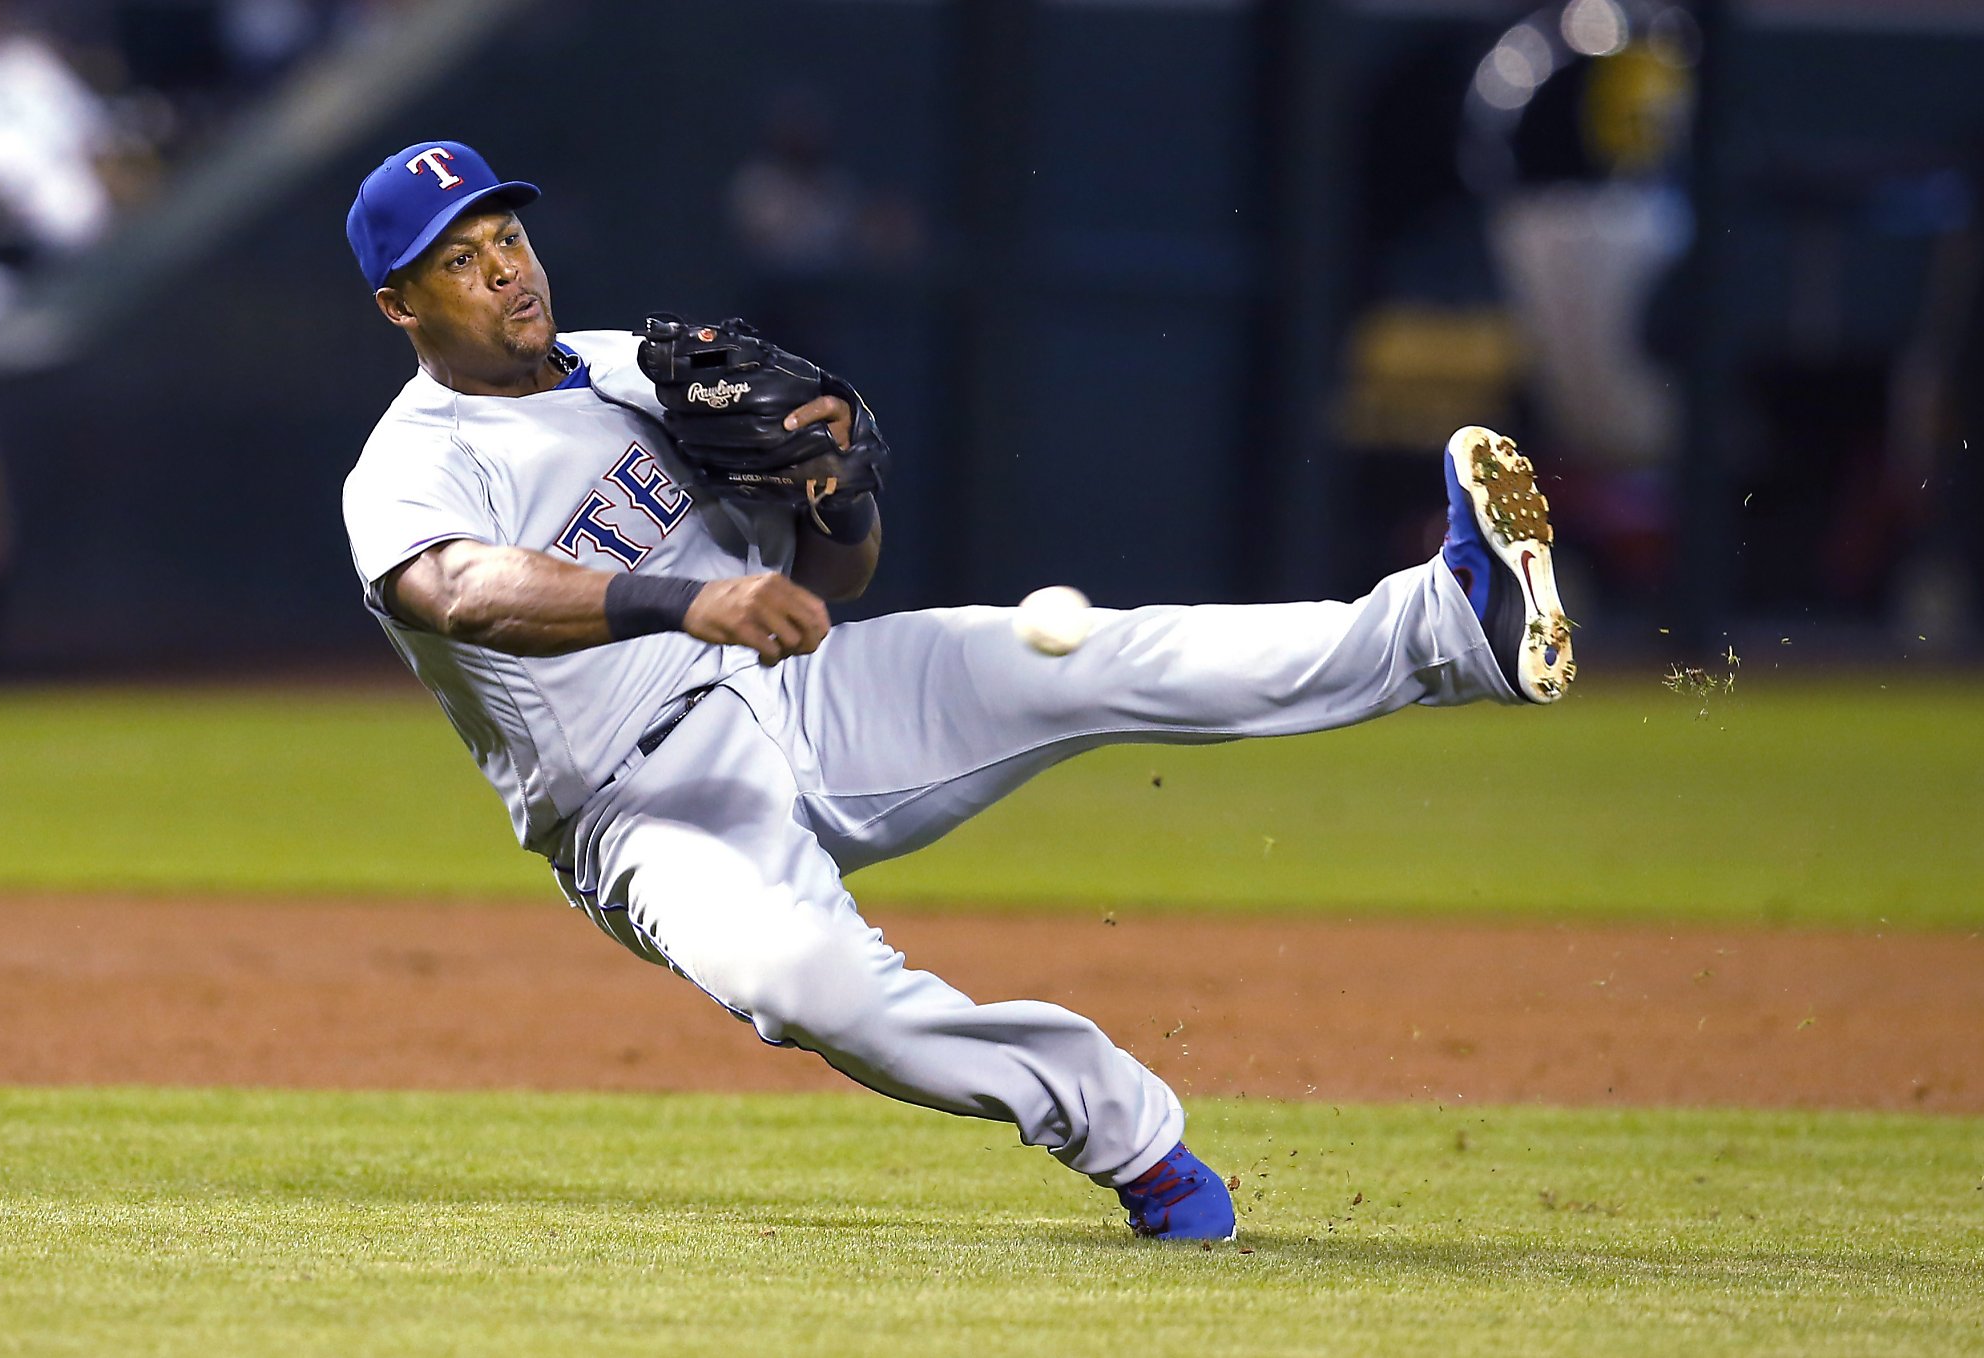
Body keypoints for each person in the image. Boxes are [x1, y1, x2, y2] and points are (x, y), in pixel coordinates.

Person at [340, 141, 1574, 1242]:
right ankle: (1122, 1132)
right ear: (400, 303)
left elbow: (830, 580)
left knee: (1094, 654)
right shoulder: (407, 468)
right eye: (460, 259)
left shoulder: (626, 370)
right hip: (644, 803)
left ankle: (1448, 622)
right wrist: (682, 599)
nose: (506, 269)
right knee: (803, 985)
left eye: (508, 235)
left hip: (806, 689)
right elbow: (464, 591)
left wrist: (835, 492)